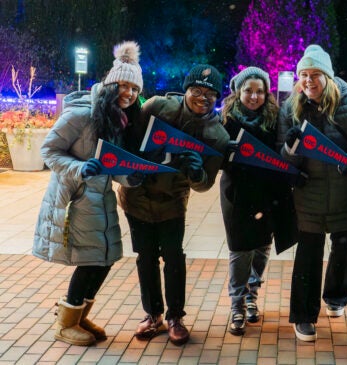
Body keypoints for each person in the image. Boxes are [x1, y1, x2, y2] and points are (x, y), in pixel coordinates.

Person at [33, 41, 145, 346]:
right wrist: (80, 168)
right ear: (111, 84)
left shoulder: (118, 120)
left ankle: (78, 316)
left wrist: (132, 177)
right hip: (75, 198)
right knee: (90, 260)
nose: (130, 94)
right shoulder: (81, 115)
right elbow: (49, 151)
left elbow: (112, 164)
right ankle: (65, 323)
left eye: (135, 89)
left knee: (105, 258)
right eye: (124, 85)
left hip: (101, 197)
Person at [118, 64, 229, 345]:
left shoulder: (218, 136)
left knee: (174, 257)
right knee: (145, 257)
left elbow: (205, 184)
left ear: (217, 98)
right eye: (196, 90)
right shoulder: (158, 107)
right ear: (186, 90)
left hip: (172, 201)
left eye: (210, 94)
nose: (202, 97)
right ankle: (152, 314)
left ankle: (175, 316)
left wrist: (196, 173)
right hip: (138, 197)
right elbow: (129, 141)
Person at [277, 45, 347, 342]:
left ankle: (337, 297)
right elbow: (282, 157)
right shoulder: (290, 107)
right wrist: (290, 147)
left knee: (343, 246)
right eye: (303, 74)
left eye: (315, 74)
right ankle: (303, 316)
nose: (308, 80)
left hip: (344, 191)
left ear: (327, 76)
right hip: (309, 193)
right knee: (308, 253)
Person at [220, 66, 297, 335]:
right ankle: (237, 303)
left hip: (267, 191)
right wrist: (225, 153)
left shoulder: (275, 118)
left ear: (267, 93)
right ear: (238, 92)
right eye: (248, 91)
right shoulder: (225, 119)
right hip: (237, 192)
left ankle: (252, 294)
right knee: (240, 248)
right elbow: (216, 155)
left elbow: (281, 152)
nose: (254, 96)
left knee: (263, 245)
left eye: (260, 91)